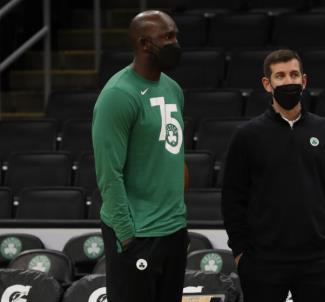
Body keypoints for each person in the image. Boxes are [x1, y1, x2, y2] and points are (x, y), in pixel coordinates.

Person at [222, 49, 325, 302]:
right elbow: (232, 199)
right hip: (263, 263)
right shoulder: (247, 135)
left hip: (321, 262)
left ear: (304, 81)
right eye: (280, 76)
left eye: (294, 74)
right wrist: (241, 253)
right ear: (267, 84)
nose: (288, 81)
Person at [92, 10, 188, 302]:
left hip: (173, 230)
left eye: (176, 36)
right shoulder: (118, 95)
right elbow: (109, 174)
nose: (175, 43)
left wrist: (179, 217)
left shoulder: (173, 89)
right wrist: (127, 237)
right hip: (137, 235)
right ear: (145, 44)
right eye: (168, 37)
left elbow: (172, 152)